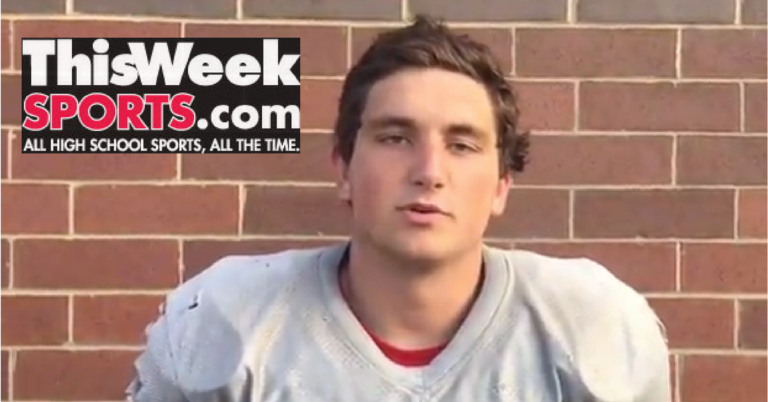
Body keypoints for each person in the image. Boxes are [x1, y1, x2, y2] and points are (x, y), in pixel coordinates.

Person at [126, 14, 671, 402]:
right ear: (342, 167)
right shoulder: (223, 324)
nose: (429, 170)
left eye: (462, 145)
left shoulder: (593, 330)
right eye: (395, 137)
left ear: (502, 185)